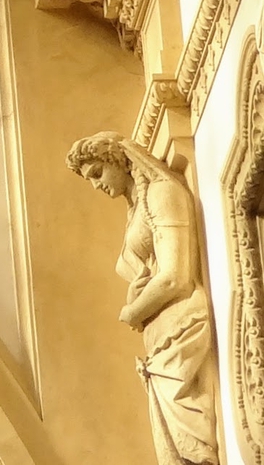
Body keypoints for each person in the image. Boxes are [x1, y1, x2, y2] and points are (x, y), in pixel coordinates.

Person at [69, 133, 220, 465]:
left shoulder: (161, 193)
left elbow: (174, 277)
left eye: (97, 173)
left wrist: (131, 312)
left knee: (197, 450)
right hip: (160, 342)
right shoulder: (136, 206)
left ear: (118, 159)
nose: (96, 186)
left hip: (183, 330)